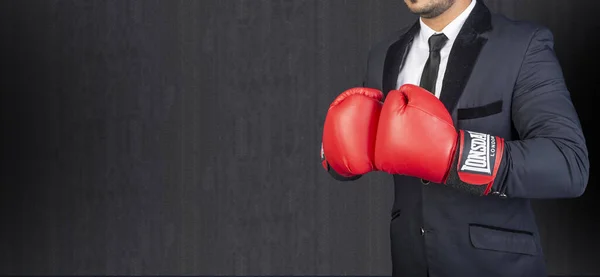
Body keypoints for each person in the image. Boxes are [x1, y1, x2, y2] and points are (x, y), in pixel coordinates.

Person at [319, 0, 590, 276]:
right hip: (409, 262)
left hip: (496, 267)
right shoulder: (384, 54)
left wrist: (456, 155)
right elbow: (357, 145)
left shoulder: (522, 45)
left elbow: (568, 163)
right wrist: (339, 157)